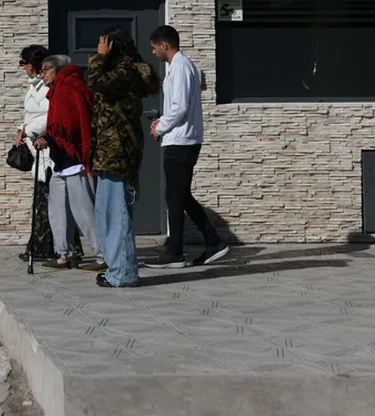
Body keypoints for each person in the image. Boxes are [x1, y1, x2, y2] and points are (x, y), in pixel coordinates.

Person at [145, 25, 230, 268]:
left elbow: (180, 107)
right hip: (180, 139)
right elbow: (178, 106)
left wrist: (160, 128)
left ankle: (176, 253)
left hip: (181, 142)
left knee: (175, 196)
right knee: (180, 196)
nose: (153, 53)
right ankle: (212, 242)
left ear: (164, 45)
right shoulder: (180, 67)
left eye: (154, 48)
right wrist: (161, 121)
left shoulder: (181, 66)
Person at [87, 26, 161, 288]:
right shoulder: (122, 70)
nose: (98, 48)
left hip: (118, 151)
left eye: (102, 44)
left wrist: (99, 58)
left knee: (116, 214)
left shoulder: (125, 71)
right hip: (111, 151)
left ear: (112, 46)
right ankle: (118, 269)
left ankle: (124, 274)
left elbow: (95, 82)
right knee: (108, 213)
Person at [34, 55, 104, 272]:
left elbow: (74, 123)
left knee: (84, 211)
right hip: (60, 160)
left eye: (45, 69)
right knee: (57, 210)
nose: (41, 74)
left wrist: (50, 138)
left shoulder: (71, 87)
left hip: (75, 159)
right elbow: (59, 123)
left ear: (58, 69)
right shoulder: (57, 90)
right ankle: (65, 254)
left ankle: (104, 255)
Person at [15, 45, 55, 263]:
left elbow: (51, 115)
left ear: (30, 65)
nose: (23, 68)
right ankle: (42, 246)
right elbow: (32, 114)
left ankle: (41, 248)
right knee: (42, 201)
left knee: (44, 202)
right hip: (35, 149)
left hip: (45, 150)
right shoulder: (35, 86)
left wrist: (28, 130)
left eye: (23, 64)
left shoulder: (45, 88)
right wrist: (21, 128)